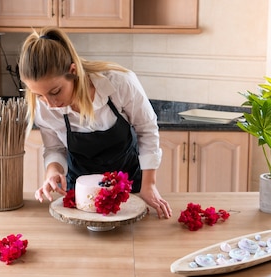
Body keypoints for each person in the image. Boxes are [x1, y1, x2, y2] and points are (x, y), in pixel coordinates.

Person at [18, 27, 172, 219]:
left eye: (55, 91)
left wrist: (149, 185)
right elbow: (55, 149)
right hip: (81, 194)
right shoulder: (44, 108)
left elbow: (147, 130)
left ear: (72, 71)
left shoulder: (119, 83)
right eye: (39, 95)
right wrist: (53, 172)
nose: (50, 103)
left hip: (130, 187)